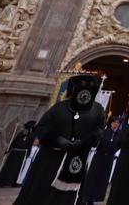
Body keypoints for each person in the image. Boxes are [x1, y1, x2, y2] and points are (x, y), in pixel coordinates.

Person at [14, 74, 105, 205]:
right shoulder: (60, 107)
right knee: (42, 190)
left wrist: (84, 142)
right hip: (50, 158)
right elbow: (41, 127)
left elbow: (98, 132)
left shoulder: (98, 110)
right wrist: (57, 139)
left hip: (77, 158)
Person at [79, 117, 120, 204]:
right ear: (111, 123)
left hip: (108, 160)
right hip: (99, 157)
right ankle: (85, 197)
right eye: (115, 122)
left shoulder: (118, 135)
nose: (116, 124)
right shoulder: (104, 132)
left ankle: (94, 198)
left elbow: (118, 146)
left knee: (101, 179)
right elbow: (99, 142)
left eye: (118, 123)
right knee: (92, 177)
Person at [0, 121, 36, 187]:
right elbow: (14, 142)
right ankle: (3, 182)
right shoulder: (21, 134)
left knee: (17, 169)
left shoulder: (31, 135)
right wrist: (9, 150)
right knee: (9, 167)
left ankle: (13, 182)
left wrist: (28, 153)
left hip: (23, 153)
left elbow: (30, 145)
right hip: (15, 152)